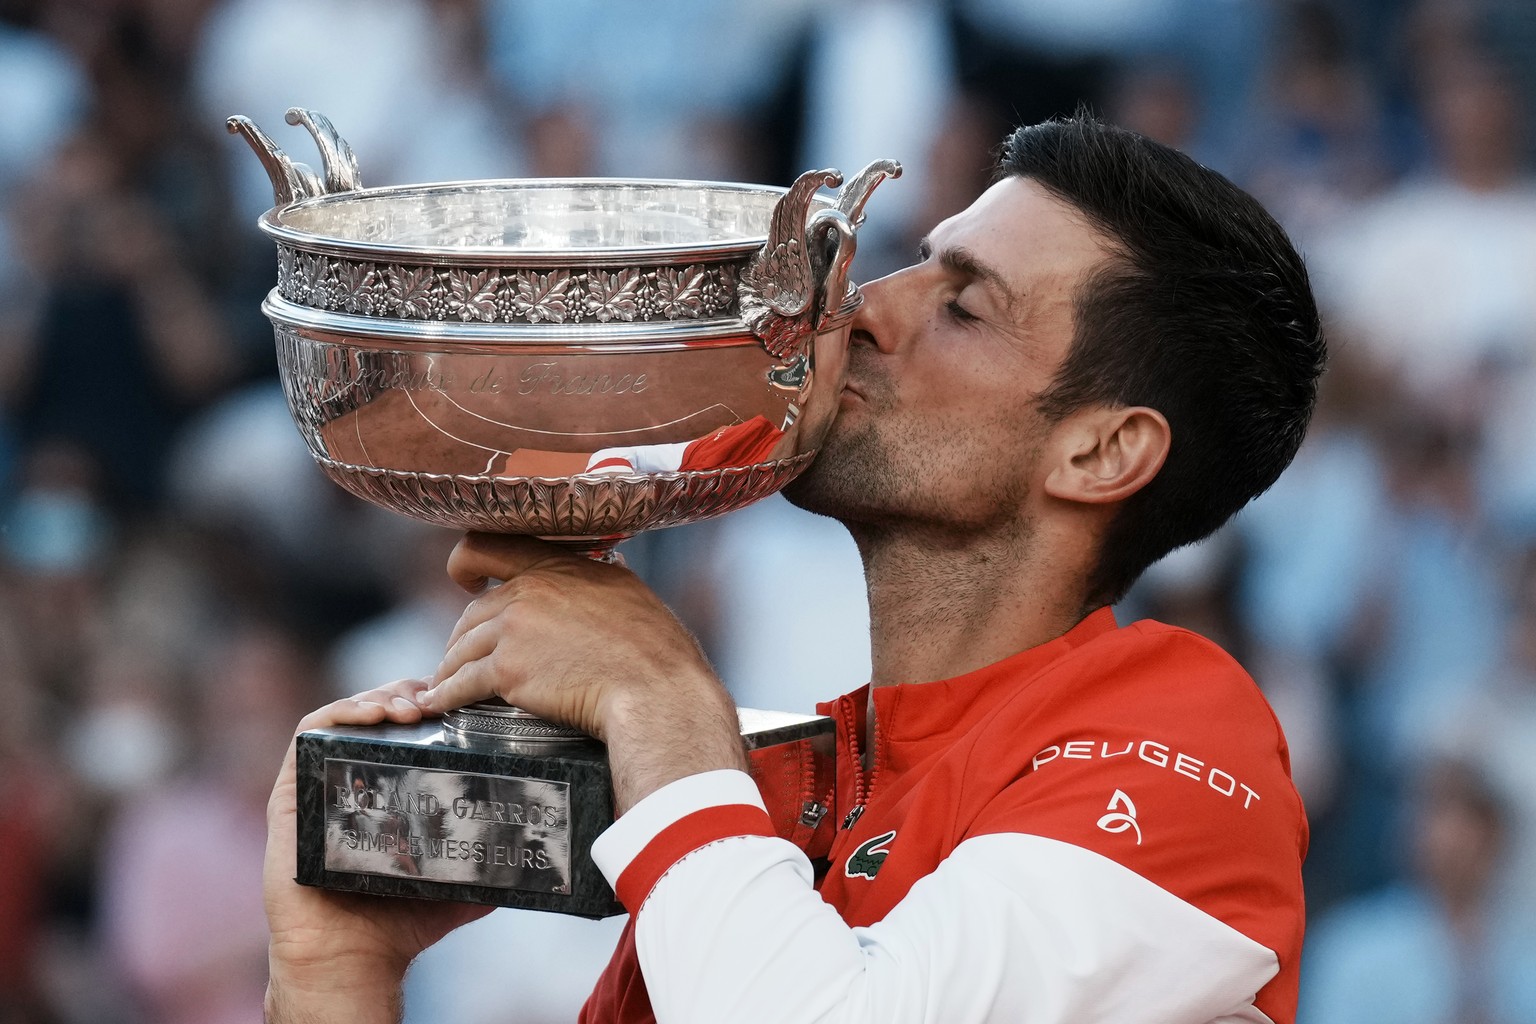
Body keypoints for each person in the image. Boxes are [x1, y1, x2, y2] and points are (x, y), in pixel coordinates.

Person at [260, 113, 1325, 1024]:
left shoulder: (1180, 742)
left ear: (1101, 451)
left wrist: (658, 695)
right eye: (915, 260)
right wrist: (336, 974)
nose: (862, 309)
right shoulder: (770, 794)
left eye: (964, 306)